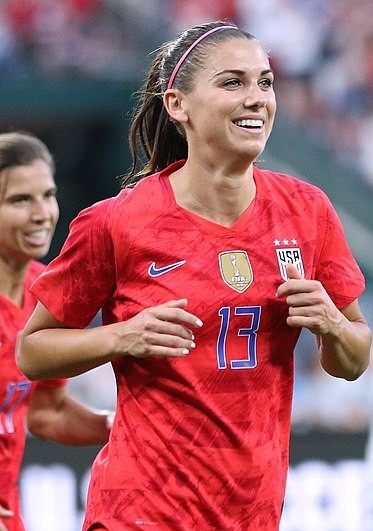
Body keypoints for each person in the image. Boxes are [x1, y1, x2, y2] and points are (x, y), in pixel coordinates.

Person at [17, 21, 372, 531]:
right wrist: (123, 335)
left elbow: (353, 360)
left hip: (253, 512)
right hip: (140, 511)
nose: (256, 99)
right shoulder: (117, 221)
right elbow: (32, 351)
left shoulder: (307, 211)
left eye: (265, 82)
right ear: (177, 104)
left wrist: (332, 327)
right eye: (232, 83)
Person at [0, 131, 113, 531]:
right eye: (19, 200)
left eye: (47, 195)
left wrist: (118, 427)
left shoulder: (45, 292)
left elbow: (48, 412)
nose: (42, 213)